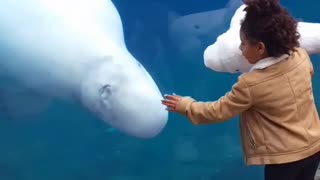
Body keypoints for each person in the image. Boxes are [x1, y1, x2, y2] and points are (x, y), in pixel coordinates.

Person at [161, 0, 320, 179]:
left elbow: (218, 111)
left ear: (260, 48)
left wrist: (185, 105)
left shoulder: (251, 84)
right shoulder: (300, 56)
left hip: (284, 158)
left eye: (243, 44)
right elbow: (309, 74)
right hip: (314, 147)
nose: (240, 48)